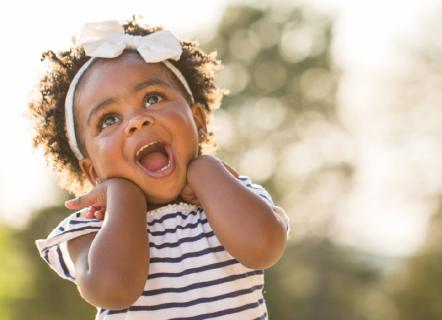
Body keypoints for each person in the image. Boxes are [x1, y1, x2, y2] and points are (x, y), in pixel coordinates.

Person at [32, 19, 289, 319]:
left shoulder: (229, 195)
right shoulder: (91, 228)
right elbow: (115, 289)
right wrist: (125, 198)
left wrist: (205, 170)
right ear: (92, 173)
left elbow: (264, 247)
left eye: (153, 99)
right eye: (109, 120)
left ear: (199, 122)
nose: (137, 121)